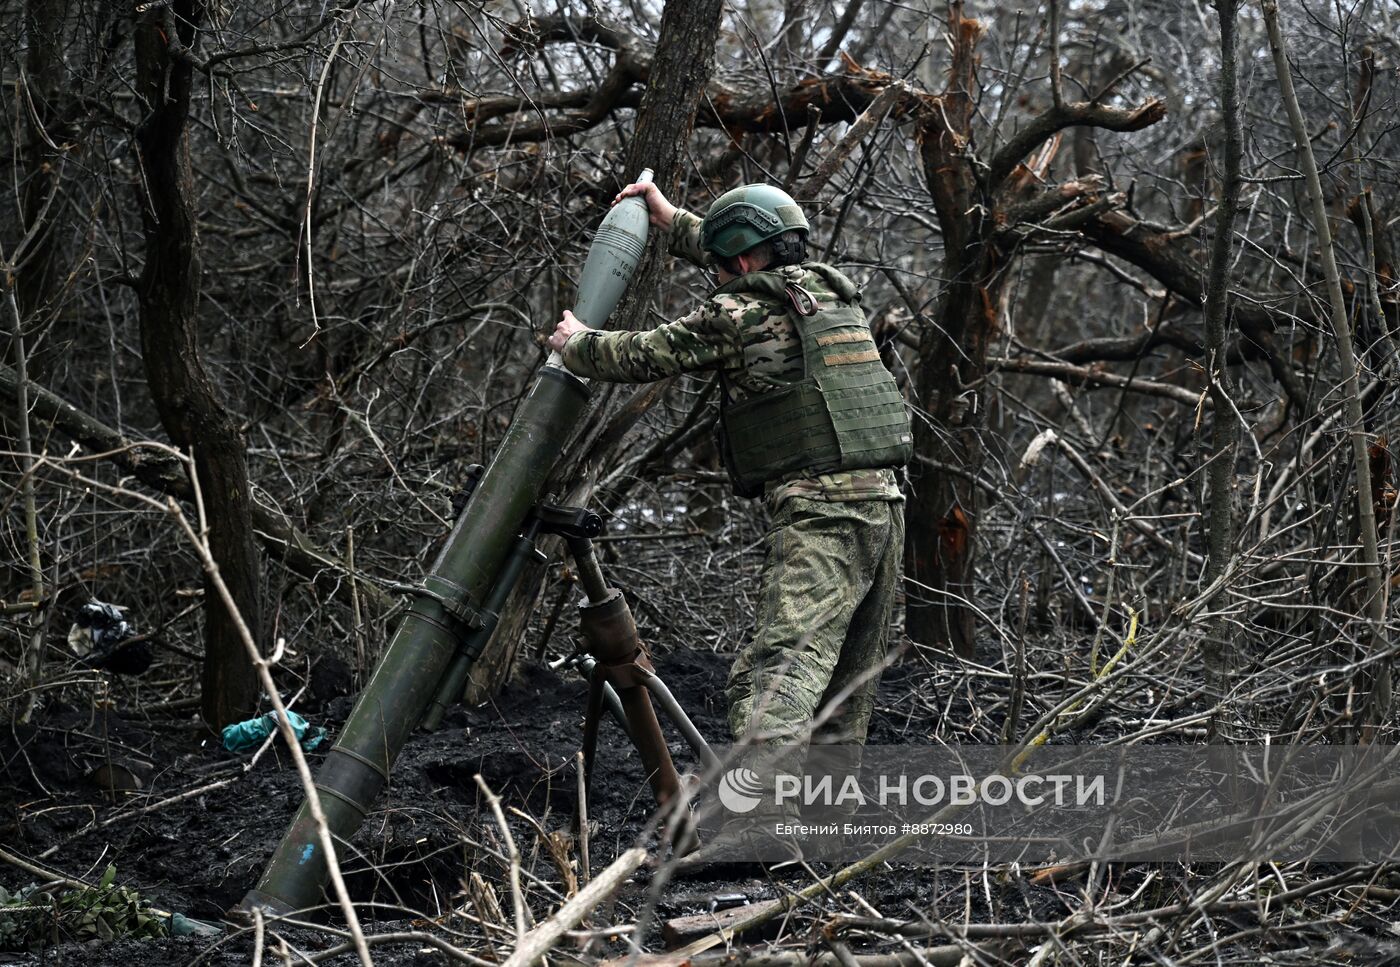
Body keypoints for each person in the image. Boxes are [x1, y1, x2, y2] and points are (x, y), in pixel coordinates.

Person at [548, 181, 911, 871]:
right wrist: (674, 220)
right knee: (845, 686)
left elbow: (646, 352)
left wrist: (578, 342)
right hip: (886, 506)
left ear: (741, 264)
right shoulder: (833, 293)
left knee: (778, 674)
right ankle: (827, 839)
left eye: (720, 262)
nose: (716, 275)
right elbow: (743, 258)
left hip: (822, 516)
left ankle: (761, 831)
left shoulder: (739, 313)